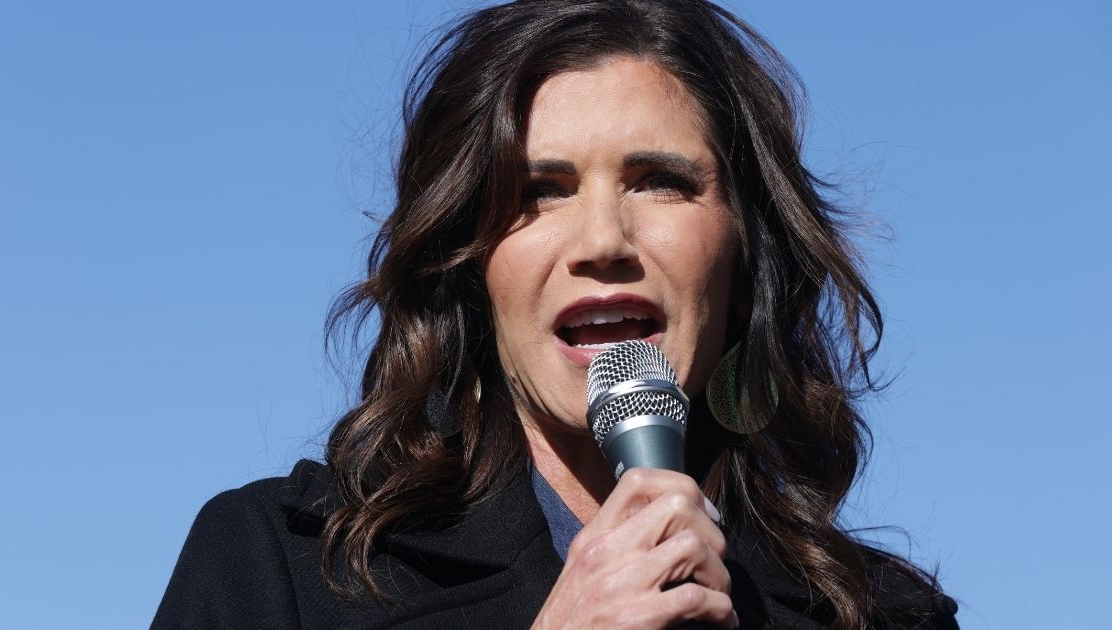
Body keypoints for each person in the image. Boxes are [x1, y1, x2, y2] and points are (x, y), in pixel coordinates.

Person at [153, 1, 959, 628]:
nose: (604, 240)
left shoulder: (887, 615)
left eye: (659, 181)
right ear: (469, 263)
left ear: (746, 253)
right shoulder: (276, 571)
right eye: (540, 192)